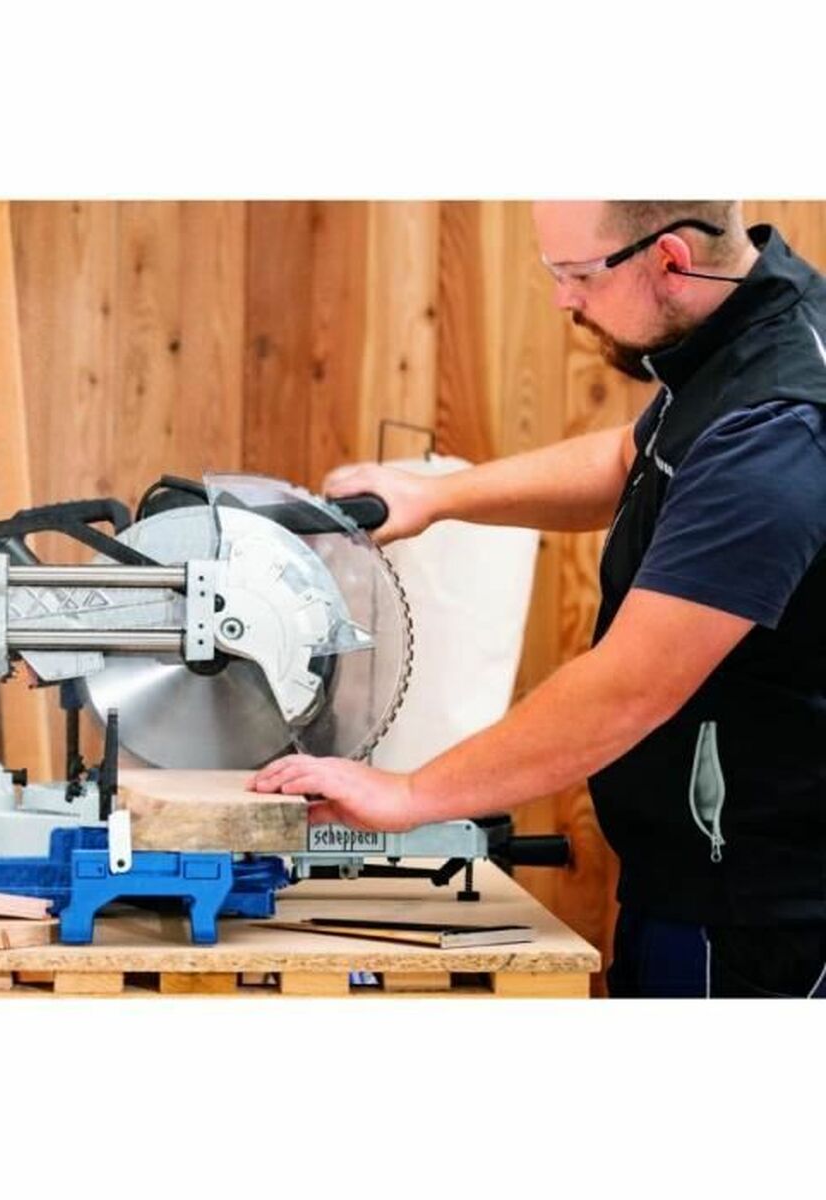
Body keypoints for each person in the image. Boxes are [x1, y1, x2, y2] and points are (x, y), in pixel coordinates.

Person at [251, 201, 826, 998]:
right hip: (692, 880)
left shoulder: (778, 430)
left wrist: (412, 795)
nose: (563, 299)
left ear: (669, 259)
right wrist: (436, 498)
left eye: (577, 275)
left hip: (761, 916)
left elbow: (630, 688)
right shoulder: (745, 330)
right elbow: (630, 457)